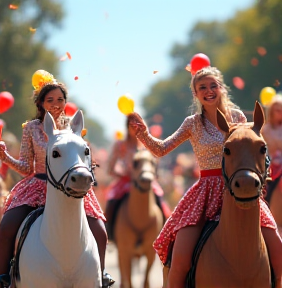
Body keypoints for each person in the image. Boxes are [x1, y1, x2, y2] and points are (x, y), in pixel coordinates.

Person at [128, 66, 282, 288]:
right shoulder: (192, 123)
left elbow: (253, 145)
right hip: (205, 194)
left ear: (221, 88)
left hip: (240, 188)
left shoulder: (237, 116)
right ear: (196, 93)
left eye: (213, 86)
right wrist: (143, 133)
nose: (208, 91)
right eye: (202, 87)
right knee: (180, 260)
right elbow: (162, 149)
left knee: (277, 249)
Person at [0, 71, 114, 288]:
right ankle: (2, 277)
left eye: (60, 99)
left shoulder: (73, 127)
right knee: (7, 226)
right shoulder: (31, 128)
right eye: (50, 100)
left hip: (69, 187)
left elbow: (81, 157)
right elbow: (24, 166)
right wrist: (3, 156)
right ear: (41, 103)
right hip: (37, 186)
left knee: (100, 231)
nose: (56, 104)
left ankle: (101, 274)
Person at [105, 116, 171, 241]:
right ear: (127, 126)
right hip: (126, 181)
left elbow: (155, 165)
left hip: (146, 180)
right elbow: (110, 168)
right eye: (131, 125)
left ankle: (165, 234)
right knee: (112, 202)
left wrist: (150, 174)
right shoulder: (120, 145)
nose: (134, 128)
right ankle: (110, 232)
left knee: (160, 201)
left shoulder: (147, 145)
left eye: (137, 125)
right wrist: (124, 174)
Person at [262, 94, 282, 201]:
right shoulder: (266, 129)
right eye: (277, 110)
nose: (280, 113)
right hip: (271, 162)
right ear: (272, 111)